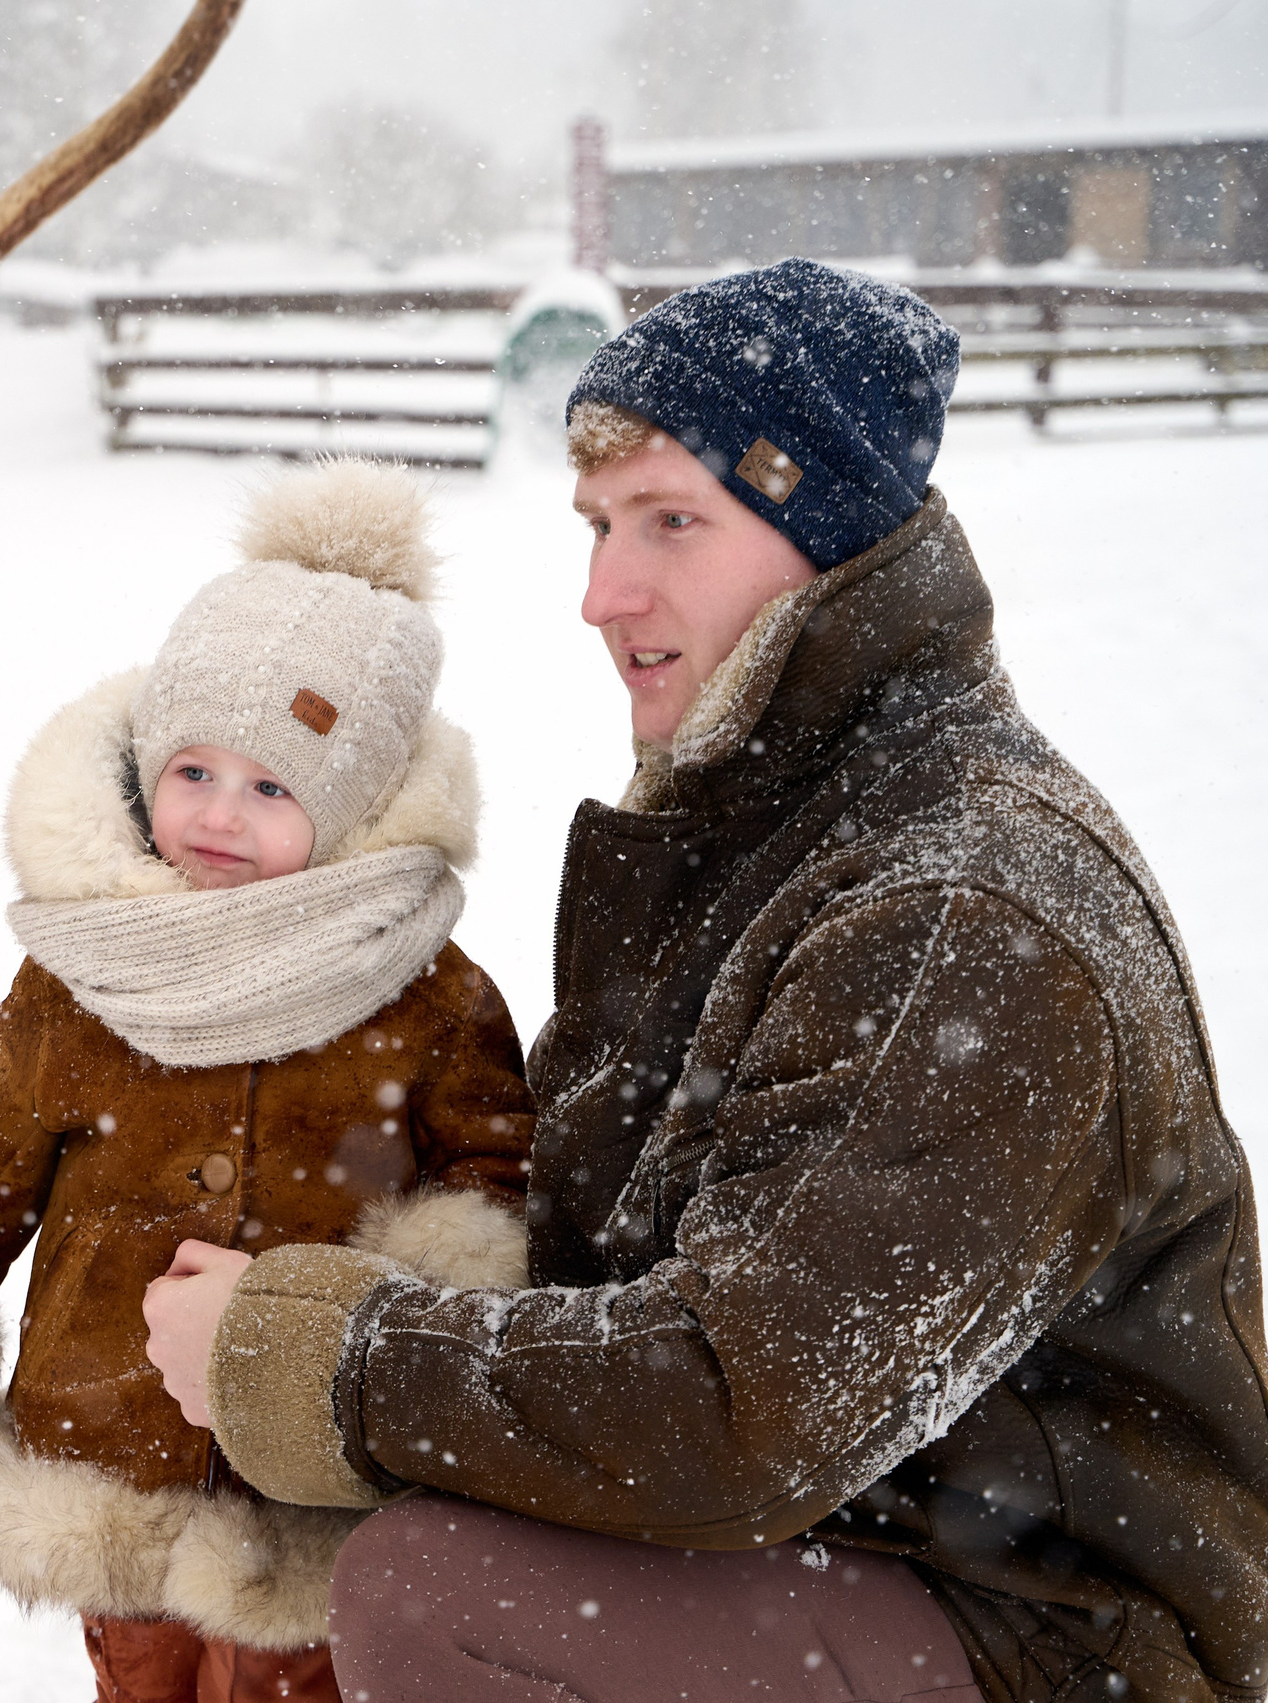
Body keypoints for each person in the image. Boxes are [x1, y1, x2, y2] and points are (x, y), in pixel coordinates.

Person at [142, 260, 1268, 1703]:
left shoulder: (962, 911)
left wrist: (325, 1358)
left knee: (439, 1592)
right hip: (859, 1534)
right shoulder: (771, 821)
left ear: (830, 530)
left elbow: (743, 1403)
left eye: (672, 519)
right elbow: (606, 1250)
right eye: (599, 525)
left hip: (1054, 1629)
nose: (604, 592)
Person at [0, 462, 539, 1703]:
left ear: (352, 802)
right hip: (106, 1440)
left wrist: (410, 1324)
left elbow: (493, 1179)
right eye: (194, 771)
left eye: (272, 786)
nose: (220, 816)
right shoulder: (83, 968)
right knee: (137, 1680)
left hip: (304, 1466)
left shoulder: (425, 991)